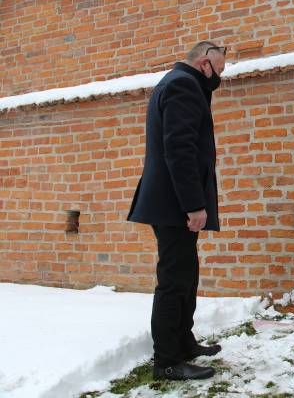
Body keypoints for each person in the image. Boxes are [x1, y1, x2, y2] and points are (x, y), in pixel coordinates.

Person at [127, 41, 226, 380]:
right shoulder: (183, 85)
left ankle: (184, 342)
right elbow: (179, 149)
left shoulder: (176, 82)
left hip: (172, 203)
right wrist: (194, 205)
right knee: (173, 280)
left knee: (186, 274)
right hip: (175, 205)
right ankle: (167, 361)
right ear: (204, 63)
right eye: (219, 71)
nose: (219, 79)